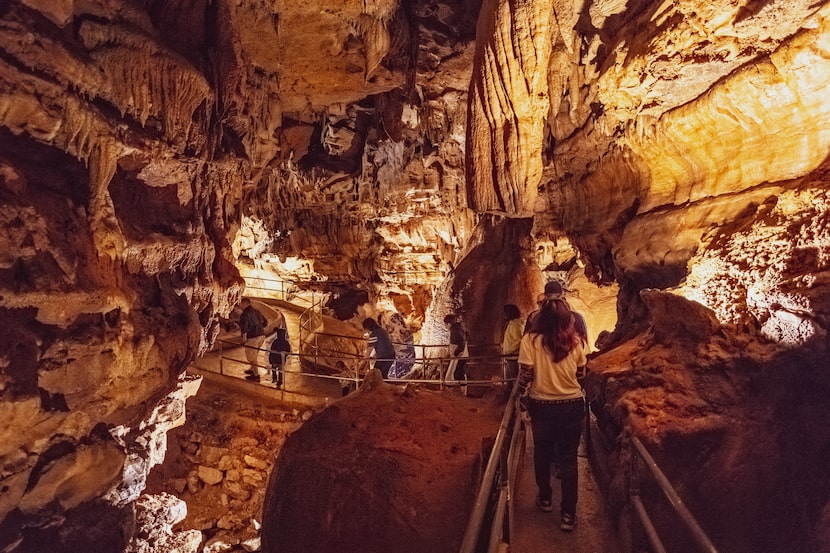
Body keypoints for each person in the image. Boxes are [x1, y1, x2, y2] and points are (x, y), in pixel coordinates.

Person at [518, 299, 587, 532]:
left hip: (543, 405)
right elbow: (581, 373)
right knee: (569, 460)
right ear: (568, 319)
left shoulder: (530, 340)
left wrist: (519, 395)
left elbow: (526, 374)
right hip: (572, 405)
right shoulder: (576, 341)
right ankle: (568, 514)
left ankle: (545, 499)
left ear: (541, 317)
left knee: (542, 454)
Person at [379, 312, 416, 379]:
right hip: (406, 357)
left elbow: (400, 346)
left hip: (404, 357)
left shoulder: (403, 334)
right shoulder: (406, 332)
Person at [239, 298, 268, 381]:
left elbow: (244, 327)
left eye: (241, 304)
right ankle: (252, 369)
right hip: (261, 336)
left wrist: (244, 337)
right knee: (254, 355)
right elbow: (265, 322)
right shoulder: (256, 311)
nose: (240, 306)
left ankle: (256, 375)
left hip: (252, 337)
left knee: (252, 357)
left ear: (245, 304)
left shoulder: (245, 314)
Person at [443, 313, 469, 386]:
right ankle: (462, 390)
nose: (445, 326)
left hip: (458, 355)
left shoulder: (455, 330)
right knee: (459, 372)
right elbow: (467, 335)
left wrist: (456, 352)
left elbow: (461, 341)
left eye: (446, 324)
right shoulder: (460, 328)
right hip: (462, 354)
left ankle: (456, 391)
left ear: (449, 324)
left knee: (455, 374)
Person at [501, 304, 524, 381]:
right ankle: (509, 392)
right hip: (510, 357)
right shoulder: (512, 324)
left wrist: (509, 350)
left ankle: (516, 393)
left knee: (513, 380)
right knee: (509, 380)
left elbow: (518, 340)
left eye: (505, 312)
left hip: (513, 357)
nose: (504, 315)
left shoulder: (515, 325)